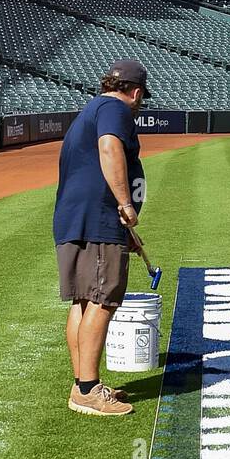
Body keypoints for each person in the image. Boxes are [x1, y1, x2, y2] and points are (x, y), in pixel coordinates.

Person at [53, 59, 151, 416]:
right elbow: (109, 148)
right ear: (136, 92)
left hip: (77, 218)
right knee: (104, 298)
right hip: (97, 218)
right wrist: (125, 204)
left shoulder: (93, 106)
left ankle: (83, 382)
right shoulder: (115, 107)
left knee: (84, 299)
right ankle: (87, 392)